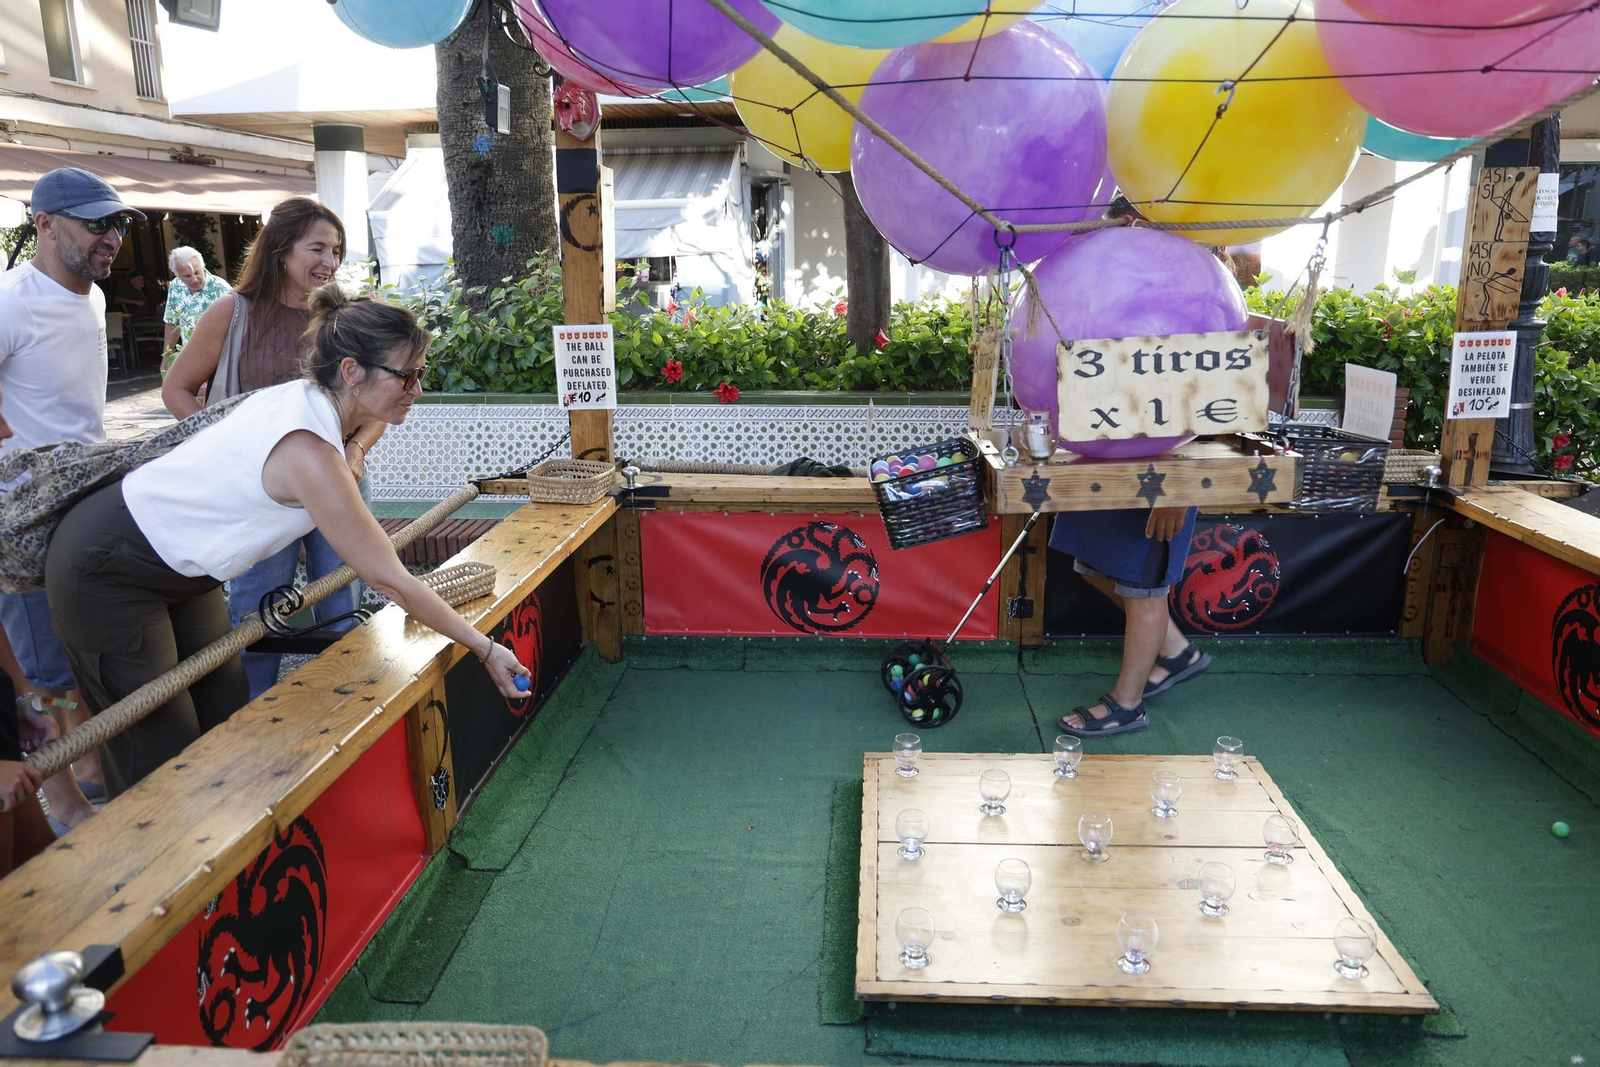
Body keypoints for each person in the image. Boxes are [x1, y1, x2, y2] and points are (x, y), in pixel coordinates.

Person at [46, 287, 530, 797]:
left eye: (421, 374)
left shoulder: (319, 400)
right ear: (351, 372)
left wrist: (362, 441)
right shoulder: (311, 452)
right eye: (406, 375)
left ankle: (230, 844)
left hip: (184, 569)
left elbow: (371, 420)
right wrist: (486, 648)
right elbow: (389, 577)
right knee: (162, 746)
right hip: (107, 565)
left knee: (227, 704)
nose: (417, 389)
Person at [163, 199, 387, 699]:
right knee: (256, 608)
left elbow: (373, 409)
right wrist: (221, 448)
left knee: (343, 596)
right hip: (260, 490)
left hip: (339, 478)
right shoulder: (232, 312)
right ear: (281, 249)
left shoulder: (344, 318)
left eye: (336, 250)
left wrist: (354, 455)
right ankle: (247, 719)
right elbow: (176, 390)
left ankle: (348, 707)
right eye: (318, 248)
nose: (330, 261)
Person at [0, 167, 146, 824]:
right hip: (22, 517)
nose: (111, 236)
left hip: (83, 502)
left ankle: (89, 771)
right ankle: (62, 802)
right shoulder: (11, 299)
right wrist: (18, 462)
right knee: (44, 669)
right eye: (96, 223)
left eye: (116, 223)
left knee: (83, 644)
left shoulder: (87, 296)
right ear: (44, 225)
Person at [1052, 506, 1212, 737]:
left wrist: (1177, 496)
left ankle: (1128, 707)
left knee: (1145, 590)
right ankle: (1176, 651)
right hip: (1112, 479)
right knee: (1093, 564)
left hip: (1162, 483)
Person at [161, 245, 231, 366]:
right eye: (187, 276)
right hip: (190, 360)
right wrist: (166, 358)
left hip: (220, 360)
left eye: (197, 272)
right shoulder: (176, 286)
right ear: (177, 274)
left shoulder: (221, 289)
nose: (194, 280)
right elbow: (172, 323)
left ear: (203, 266)